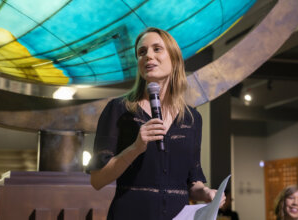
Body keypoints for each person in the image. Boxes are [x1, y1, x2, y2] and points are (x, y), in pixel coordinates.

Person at [88, 27, 225, 220]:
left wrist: (208, 194)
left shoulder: (192, 118)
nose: (148, 56)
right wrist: (135, 148)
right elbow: (97, 180)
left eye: (157, 49)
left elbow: (193, 181)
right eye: (141, 52)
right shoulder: (118, 110)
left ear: (174, 58)